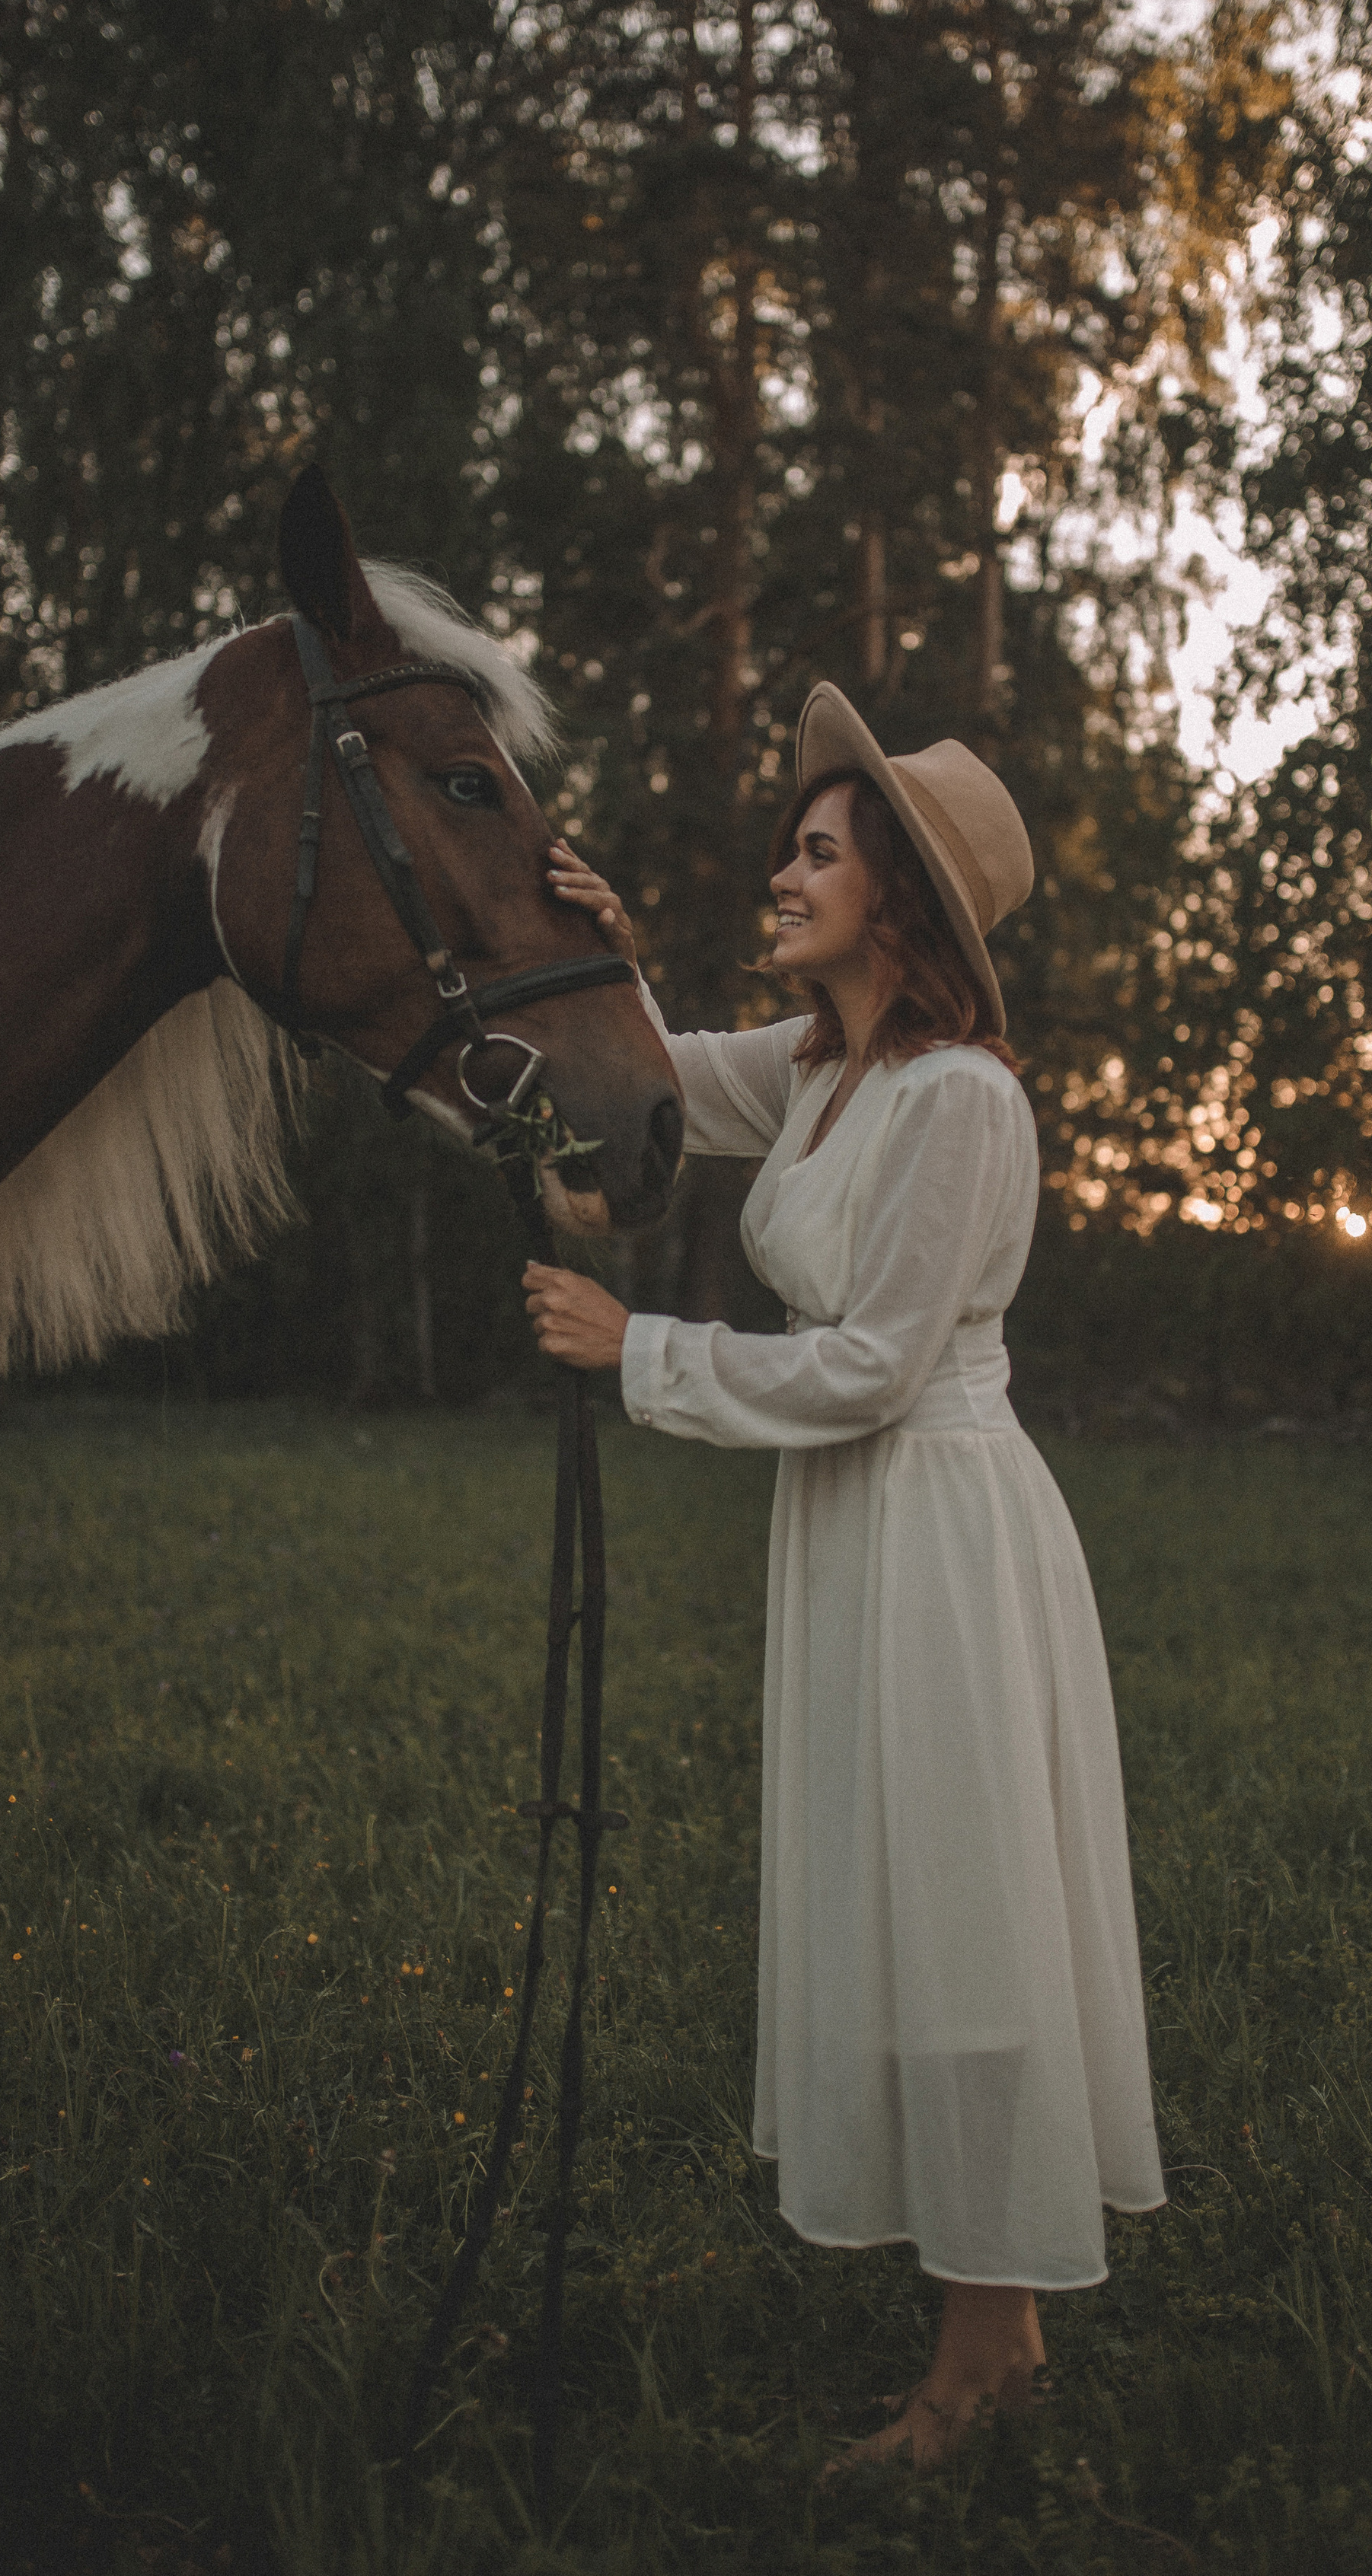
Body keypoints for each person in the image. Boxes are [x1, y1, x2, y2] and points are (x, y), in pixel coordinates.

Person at [523, 683, 1165, 2469]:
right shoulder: (808, 1073)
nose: (783, 871)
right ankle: (998, 2340)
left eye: (818, 851)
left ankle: (979, 2371)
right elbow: (643, 1068)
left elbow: (878, 1362)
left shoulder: (956, 1099)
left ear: (899, 897)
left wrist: (634, 1350)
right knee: (903, 1903)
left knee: (961, 1921)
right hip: (850, 1527)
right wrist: (586, 938)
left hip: (942, 1525)